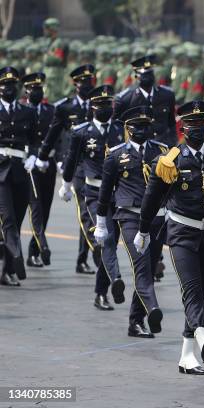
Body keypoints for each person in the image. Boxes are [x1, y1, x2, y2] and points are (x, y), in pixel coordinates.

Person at [138, 101, 204, 374]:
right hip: (181, 233)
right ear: (182, 127)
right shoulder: (170, 160)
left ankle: (186, 356)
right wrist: (143, 229)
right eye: (192, 125)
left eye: (202, 124)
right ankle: (203, 337)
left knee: (202, 295)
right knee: (191, 291)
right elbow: (152, 198)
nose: (198, 129)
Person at [97, 106, 167, 338]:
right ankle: (153, 307)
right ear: (128, 129)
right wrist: (100, 223)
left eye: (146, 126)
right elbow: (105, 194)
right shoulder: (116, 155)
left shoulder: (162, 152)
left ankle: (135, 321)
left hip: (157, 218)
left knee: (151, 264)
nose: (142, 130)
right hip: (128, 216)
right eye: (137, 126)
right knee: (142, 265)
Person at [58, 84, 125, 311]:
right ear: (93, 107)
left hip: (118, 193)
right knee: (105, 240)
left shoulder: (120, 129)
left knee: (111, 243)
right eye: (101, 105)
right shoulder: (82, 131)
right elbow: (71, 160)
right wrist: (66, 185)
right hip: (94, 193)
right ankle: (115, 278)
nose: (106, 108)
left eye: (109, 104)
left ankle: (101, 293)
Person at [36, 64, 98, 276]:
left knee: (91, 210)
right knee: (85, 207)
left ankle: (84, 258)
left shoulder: (97, 106)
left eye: (90, 82)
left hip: (94, 164)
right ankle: (90, 252)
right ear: (75, 84)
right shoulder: (65, 107)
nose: (86, 86)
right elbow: (54, 134)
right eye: (83, 82)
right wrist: (44, 156)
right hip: (73, 163)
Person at [0, 67, 37, 287]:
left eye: (12, 85)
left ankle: (6, 271)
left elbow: (34, 140)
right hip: (0, 171)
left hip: (20, 170)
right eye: (5, 85)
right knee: (8, 219)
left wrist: (33, 156)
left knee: (18, 218)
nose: (8, 89)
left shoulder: (27, 112)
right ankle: (17, 257)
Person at [21, 72, 55, 268]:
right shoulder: (22, 109)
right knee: (36, 207)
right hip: (29, 164)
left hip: (47, 165)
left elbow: (56, 137)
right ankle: (43, 245)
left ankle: (33, 252)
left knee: (46, 209)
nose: (38, 91)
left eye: (40, 88)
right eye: (34, 88)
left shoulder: (50, 110)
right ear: (27, 90)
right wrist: (32, 154)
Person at [114, 55, 177, 147]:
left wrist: (172, 141)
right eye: (144, 75)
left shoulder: (167, 95)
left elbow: (171, 122)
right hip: (137, 146)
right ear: (137, 77)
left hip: (164, 145)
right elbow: (117, 125)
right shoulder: (125, 98)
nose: (148, 78)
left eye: (149, 74)